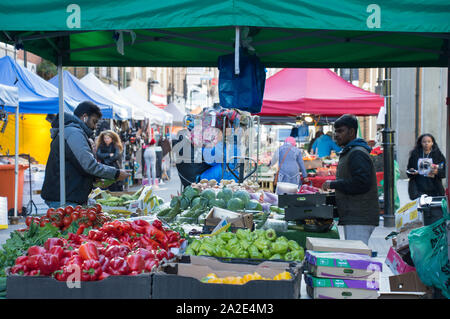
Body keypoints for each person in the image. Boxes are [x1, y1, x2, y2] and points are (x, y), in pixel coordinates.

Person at [41, 101, 130, 208]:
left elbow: (77, 165)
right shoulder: (74, 133)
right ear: (84, 117)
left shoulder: (72, 131)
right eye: (94, 121)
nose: (95, 126)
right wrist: (116, 174)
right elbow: (88, 164)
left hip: (67, 196)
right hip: (65, 199)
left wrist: (94, 179)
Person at [322, 114, 379, 245]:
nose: (336, 135)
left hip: (360, 217)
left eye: (340, 131)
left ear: (352, 132)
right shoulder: (351, 151)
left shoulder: (357, 153)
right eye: (335, 131)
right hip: (354, 216)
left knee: (357, 257)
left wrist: (334, 184)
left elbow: (361, 184)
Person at [406, 133, 446, 200]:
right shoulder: (415, 155)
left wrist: (437, 172)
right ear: (421, 143)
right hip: (418, 189)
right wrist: (412, 171)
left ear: (432, 143)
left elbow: (445, 172)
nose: (426, 144)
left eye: (429, 141)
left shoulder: (438, 155)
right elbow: (408, 172)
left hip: (434, 189)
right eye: (424, 142)